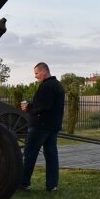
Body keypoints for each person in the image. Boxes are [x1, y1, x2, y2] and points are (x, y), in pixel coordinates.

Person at [20, 62, 65, 192]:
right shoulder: (58, 86)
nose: (35, 76)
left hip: (40, 126)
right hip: (53, 126)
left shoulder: (46, 86)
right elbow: (48, 105)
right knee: (51, 156)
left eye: (36, 73)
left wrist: (28, 107)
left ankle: (24, 183)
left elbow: (43, 107)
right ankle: (52, 185)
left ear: (44, 71)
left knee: (29, 154)